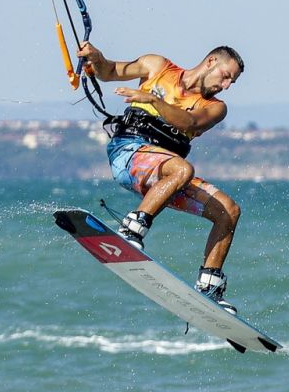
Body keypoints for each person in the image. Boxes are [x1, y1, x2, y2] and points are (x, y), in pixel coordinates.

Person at [77, 43, 245, 315]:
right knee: (182, 170)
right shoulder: (157, 66)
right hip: (129, 153)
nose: (226, 85)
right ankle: (131, 231)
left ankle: (209, 288)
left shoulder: (215, 108)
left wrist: (154, 101)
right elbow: (108, 71)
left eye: (232, 82)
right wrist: (95, 58)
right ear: (211, 61)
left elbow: (190, 123)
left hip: (166, 174)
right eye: (225, 76)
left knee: (228, 211)